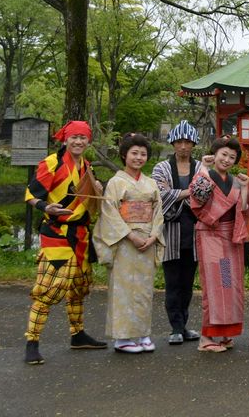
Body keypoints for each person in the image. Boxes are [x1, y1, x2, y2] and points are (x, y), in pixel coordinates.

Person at [23, 120, 107, 365]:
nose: (79, 141)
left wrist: (98, 189)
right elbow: (31, 193)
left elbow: (93, 199)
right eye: (74, 137)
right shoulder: (51, 163)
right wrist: (44, 206)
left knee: (79, 287)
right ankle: (32, 341)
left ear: (88, 141)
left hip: (81, 234)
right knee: (48, 288)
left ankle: (78, 334)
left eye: (83, 138)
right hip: (57, 233)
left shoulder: (87, 165)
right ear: (66, 139)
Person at [93, 133, 164, 353]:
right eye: (134, 153)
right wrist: (130, 235)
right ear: (124, 155)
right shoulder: (116, 182)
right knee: (123, 288)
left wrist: (154, 235)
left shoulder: (150, 183)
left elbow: (158, 212)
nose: (139, 157)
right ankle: (122, 337)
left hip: (147, 239)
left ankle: (142, 334)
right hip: (125, 241)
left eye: (143, 154)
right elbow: (110, 213)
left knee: (144, 290)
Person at [188, 137, 249, 353]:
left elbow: (243, 209)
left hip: (229, 236)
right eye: (223, 154)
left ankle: (224, 333)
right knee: (215, 286)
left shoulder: (235, 181)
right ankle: (206, 337)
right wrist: (204, 169)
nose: (226, 159)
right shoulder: (204, 175)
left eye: (231, 157)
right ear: (214, 154)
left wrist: (244, 188)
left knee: (228, 284)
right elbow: (197, 198)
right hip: (211, 235)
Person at [151, 120, 201, 344]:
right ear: (172, 143)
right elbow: (159, 195)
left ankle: (184, 324)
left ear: (193, 144)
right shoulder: (161, 168)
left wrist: (179, 194)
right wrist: (188, 193)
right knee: (172, 282)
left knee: (188, 283)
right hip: (170, 231)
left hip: (193, 231)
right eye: (179, 142)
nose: (183, 146)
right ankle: (175, 328)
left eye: (187, 142)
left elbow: (204, 194)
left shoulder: (200, 167)